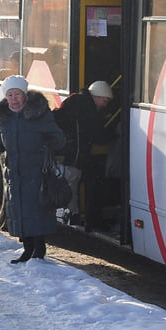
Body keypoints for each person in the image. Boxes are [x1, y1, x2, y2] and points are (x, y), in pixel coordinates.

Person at [0, 75, 65, 264]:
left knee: (37, 210)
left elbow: (59, 139)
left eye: (17, 94)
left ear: (24, 94)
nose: (13, 99)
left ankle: (39, 249)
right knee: (20, 210)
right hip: (15, 173)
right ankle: (27, 250)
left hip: (36, 172)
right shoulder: (5, 118)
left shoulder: (39, 114)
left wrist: (47, 142)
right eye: (10, 95)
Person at [52, 80, 115, 232]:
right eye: (104, 100)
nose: (105, 104)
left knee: (79, 186)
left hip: (70, 153)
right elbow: (96, 135)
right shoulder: (87, 109)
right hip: (74, 156)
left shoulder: (77, 101)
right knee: (87, 185)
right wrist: (114, 133)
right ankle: (86, 221)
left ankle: (82, 219)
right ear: (97, 96)